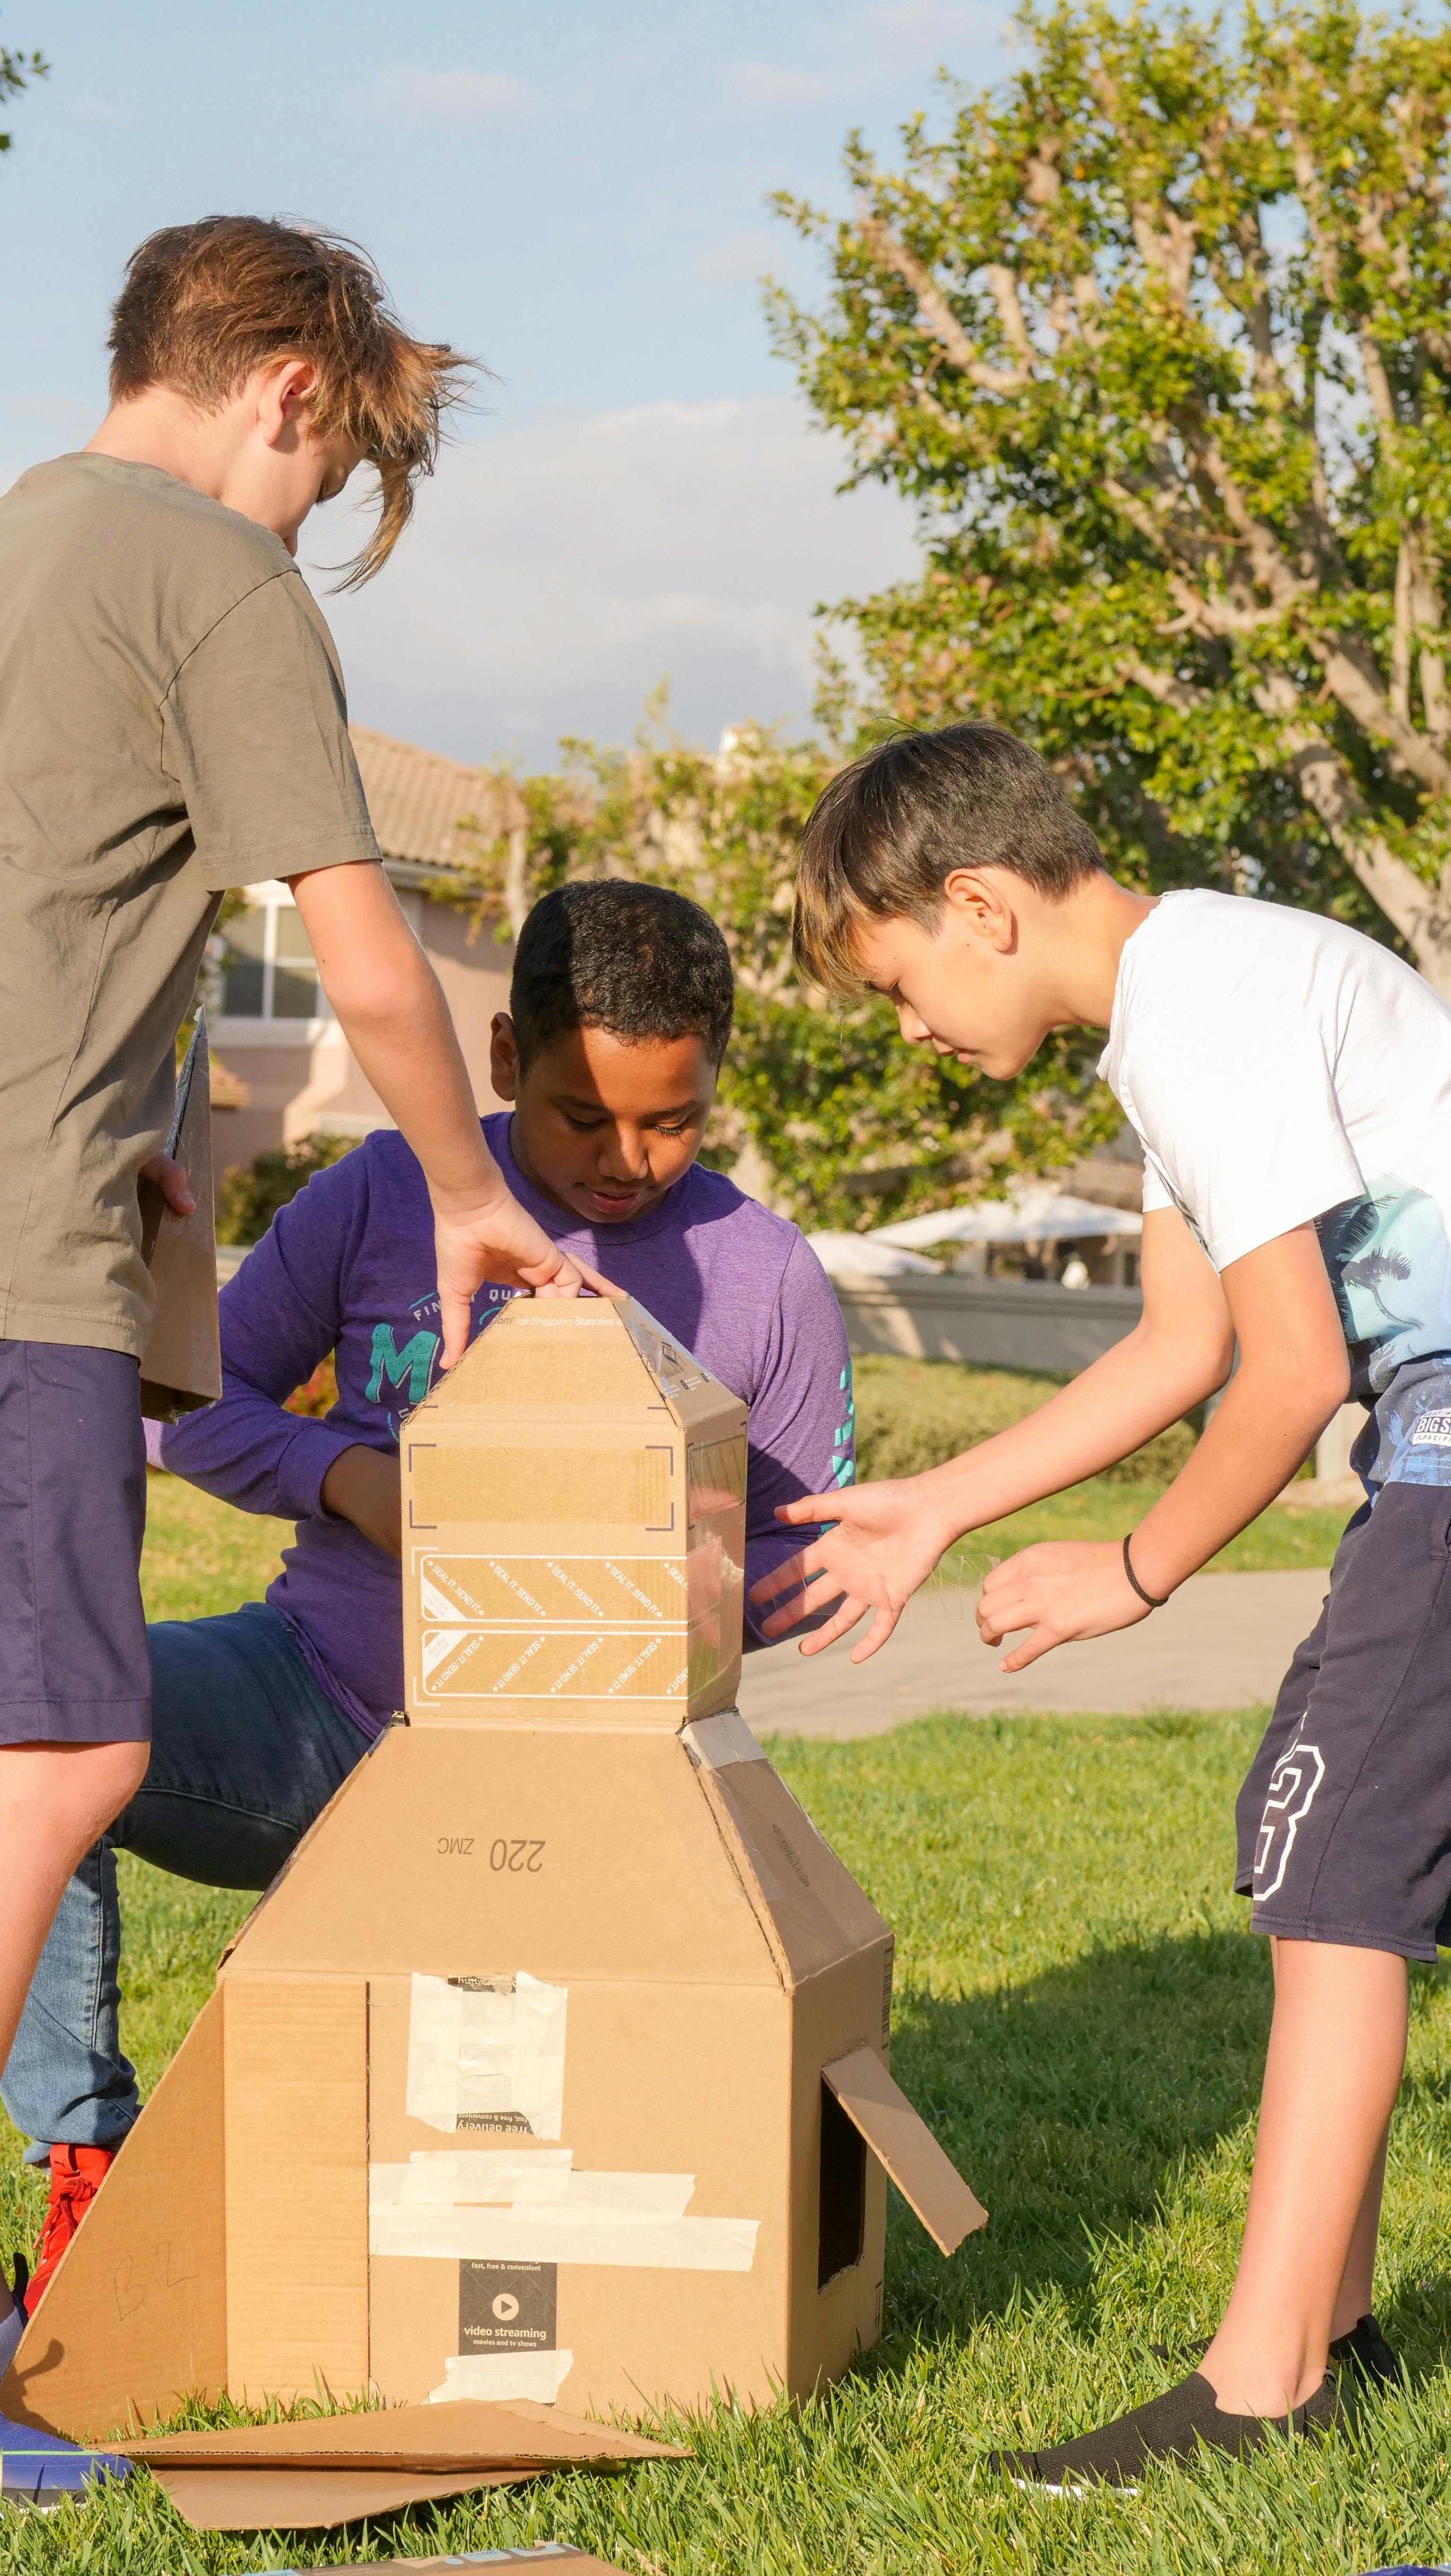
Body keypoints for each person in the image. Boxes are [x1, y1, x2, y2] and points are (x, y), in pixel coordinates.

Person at [0, 217, 603, 2355]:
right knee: (61, 1752)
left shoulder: (25, 541)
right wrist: (459, 1187)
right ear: (287, 387)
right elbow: (361, 939)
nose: (311, 523)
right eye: (329, 482)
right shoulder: (209, 569)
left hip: (67, 1205)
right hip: (19, 1263)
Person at [751, 721, 1451, 2487]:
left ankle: (1265, 2380)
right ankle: (1335, 2336)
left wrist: (1138, 1572)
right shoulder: (1184, 1000)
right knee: (1334, 1850)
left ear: (978, 906)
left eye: (899, 980)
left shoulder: (1203, 1002)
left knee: (1329, 1854)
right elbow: (1181, 1341)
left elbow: (1288, 1374)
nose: (909, 1030)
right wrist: (935, 1506)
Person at [4, 879, 853, 2303]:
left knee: (491, 2169)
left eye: (673, 1119)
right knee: (36, 1715)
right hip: (321, 1708)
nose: (629, 1159)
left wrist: (656, 1575)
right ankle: (93, 2162)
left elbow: (805, 1546)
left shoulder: (765, 1277)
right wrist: (356, 1482)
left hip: (589, 1789)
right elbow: (184, 1399)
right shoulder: (385, 1194)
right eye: (586, 1115)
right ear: (507, 1060)